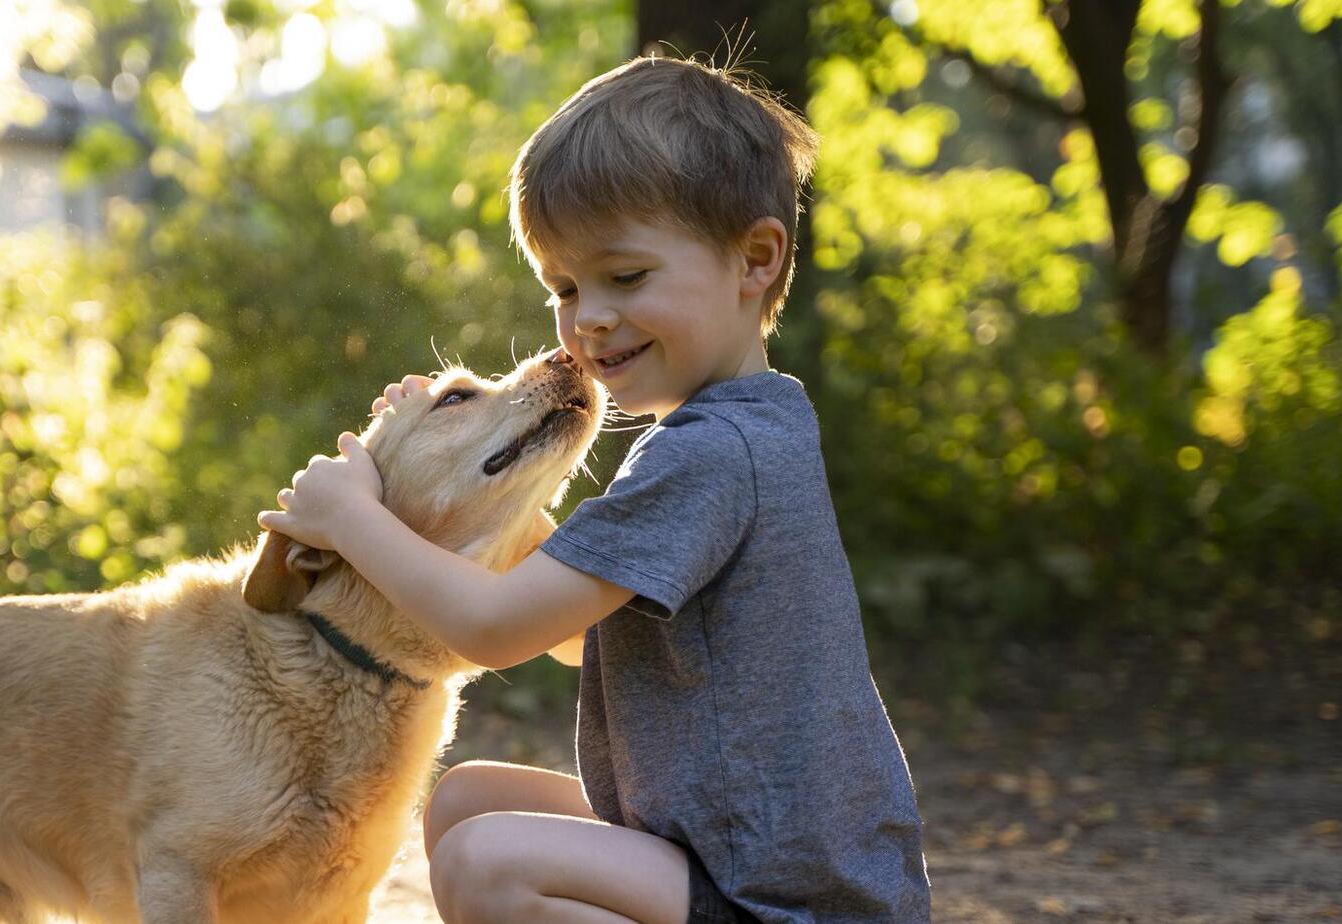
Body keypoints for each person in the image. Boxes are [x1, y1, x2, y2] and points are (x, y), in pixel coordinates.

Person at [256, 53, 931, 924]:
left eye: (627, 276)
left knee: (487, 862)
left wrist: (352, 520)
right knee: (468, 801)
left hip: (787, 899)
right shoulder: (747, 426)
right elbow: (584, 637)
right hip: (741, 855)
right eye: (565, 288)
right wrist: (450, 472)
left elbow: (497, 629)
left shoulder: (712, 452)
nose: (590, 319)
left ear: (755, 259)